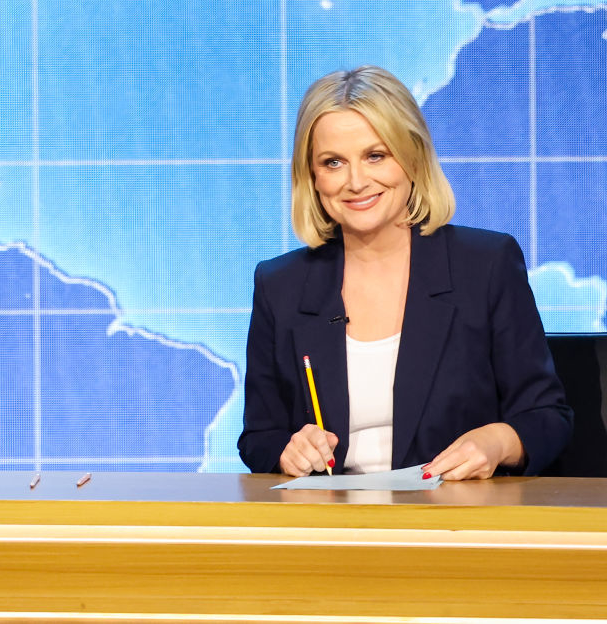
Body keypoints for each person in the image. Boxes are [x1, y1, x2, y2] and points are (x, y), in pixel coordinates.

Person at [238, 65, 572, 480]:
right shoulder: (279, 285)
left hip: (453, 526)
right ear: (313, 177)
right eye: (333, 162)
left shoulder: (485, 264)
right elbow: (259, 436)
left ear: (412, 158)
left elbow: (546, 417)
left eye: (376, 155)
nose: (356, 181)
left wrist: (497, 442)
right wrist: (287, 450)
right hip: (331, 529)